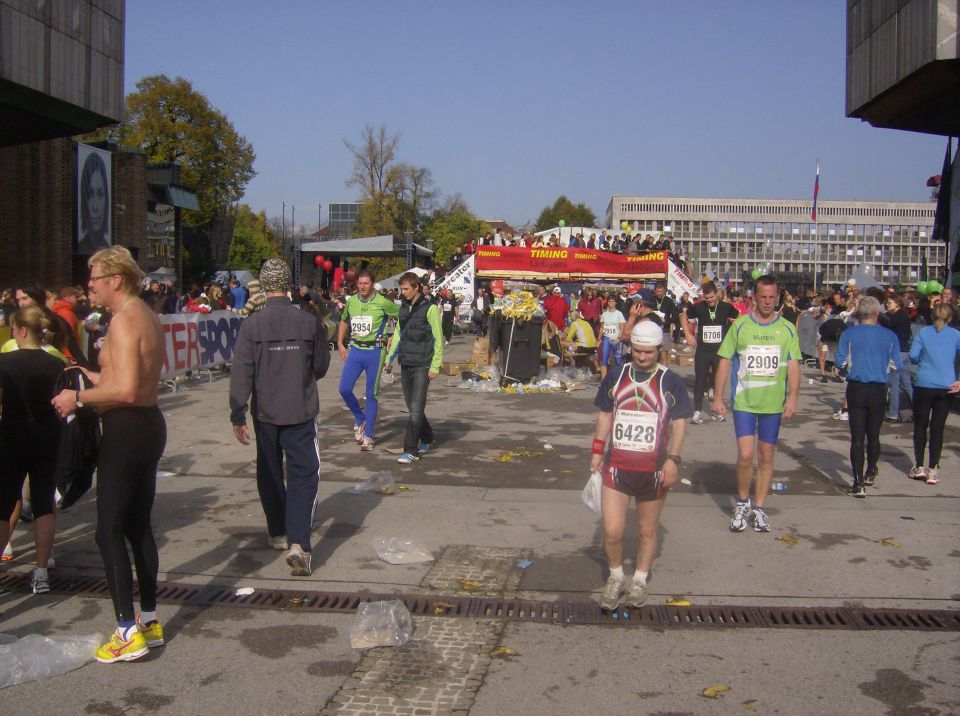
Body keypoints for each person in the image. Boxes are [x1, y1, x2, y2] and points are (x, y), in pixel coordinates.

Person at [51, 246, 166, 664]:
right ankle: (149, 620)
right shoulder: (146, 316)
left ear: (116, 280)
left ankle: (125, 631)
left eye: (94, 278)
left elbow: (127, 391)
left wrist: (77, 398)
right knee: (137, 527)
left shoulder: (123, 321)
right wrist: (89, 377)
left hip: (128, 427)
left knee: (107, 530)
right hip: (147, 423)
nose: (90, 285)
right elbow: (123, 378)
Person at [229, 258, 329, 575]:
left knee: (270, 470)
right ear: (287, 286)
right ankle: (299, 541)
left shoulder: (252, 325)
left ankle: (277, 531)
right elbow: (321, 366)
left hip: (265, 411)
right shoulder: (309, 322)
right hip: (299, 408)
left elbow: (241, 371)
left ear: (264, 286)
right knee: (303, 473)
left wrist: (237, 412)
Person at [591, 321, 691, 610]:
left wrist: (673, 459)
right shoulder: (616, 376)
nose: (642, 357)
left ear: (660, 350)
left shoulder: (670, 381)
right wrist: (597, 453)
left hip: (654, 469)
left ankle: (639, 580)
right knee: (611, 529)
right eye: (637, 351)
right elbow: (604, 416)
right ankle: (615, 576)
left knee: (647, 530)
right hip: (617, 467)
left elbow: (680, 423)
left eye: (648, 352)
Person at [711, 275, 801, 533]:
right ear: (754, 297)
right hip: (745, 403)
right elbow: (725, 361)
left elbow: (793, 365)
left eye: (772, 297)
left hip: (773, 404)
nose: (768, 302)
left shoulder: (787, 329)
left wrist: (793, 397)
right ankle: (742, 503)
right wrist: (717, 397)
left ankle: (759, 509)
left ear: (778, 297)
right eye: (763, 297)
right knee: (746, 455)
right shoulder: (740, 326)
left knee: (766, 456)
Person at [0, 306, 65, 595]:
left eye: (14, 329)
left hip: (12, 434)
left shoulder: (5, 361)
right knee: (43, 501)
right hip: (47, 434)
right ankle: (41, 572)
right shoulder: (55, 363)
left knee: (3, 504)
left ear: (22, 331)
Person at [834, 297, 902, 497]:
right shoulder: (890, 336)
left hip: (856, 388)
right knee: (873, 434)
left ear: (859, 314)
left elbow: (840, 362)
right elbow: (897, 364)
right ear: (877, 313)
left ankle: (858, 482)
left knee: (857, 437)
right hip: (879, 388)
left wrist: (846, 368)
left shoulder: (849, 334)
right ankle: (871, 470)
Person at [337, 270, 400, 451]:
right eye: (360, 283)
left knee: (371, 393)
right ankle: (359, 417)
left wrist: (392, 339)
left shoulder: (382, 302)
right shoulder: (352, 302)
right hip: (356, 350)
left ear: (372, 284)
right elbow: (343, 321)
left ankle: (369, 434)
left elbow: (401, 317)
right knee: (344, 388)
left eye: (366, 283)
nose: (363, 286)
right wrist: (340, 343)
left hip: (375, 351)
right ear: (356, 284)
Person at [384, 273, 443, 465]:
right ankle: (427, 437)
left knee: (416, 408)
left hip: (423, 364)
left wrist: (435, 365)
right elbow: (399, 335)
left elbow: (438, 338)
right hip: (406, 362)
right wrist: (389, 359)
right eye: (401, 289)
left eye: (406, 289)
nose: (403, 292)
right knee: (412, 407)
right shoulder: (403, 308)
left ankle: (411, 449)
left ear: (416, 287)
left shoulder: (430, 308)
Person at [907, 303, 960, 485]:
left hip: (924, 382)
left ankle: (919, 466)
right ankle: (933, 470)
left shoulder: (923, 333)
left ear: (932, 317)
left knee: (920, 426)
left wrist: (923, 358)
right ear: (950, 318)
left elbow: (913, 356)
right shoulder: (955, 335)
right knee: (938, 428)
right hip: (946, 385)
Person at [682, 281, 739, 424]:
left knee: (717, 382)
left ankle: (717, 411)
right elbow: (682, 316)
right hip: (703, 350)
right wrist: (688, 335)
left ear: (717, 295)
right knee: (700, 380)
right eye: (706, 298)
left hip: (720, 352)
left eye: (712, 297)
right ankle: (697, 412)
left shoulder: (726, 307)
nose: (709, 300)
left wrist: (733, 337)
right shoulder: (699, 307)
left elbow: (740, 318)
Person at [879, 294, 914, 421]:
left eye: (889, 302)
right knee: (906, 384)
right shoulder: (902, 316)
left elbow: (889, 324)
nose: (887, 304)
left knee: (894, 384)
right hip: (904, 352)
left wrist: (878, 314)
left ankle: (892, 413)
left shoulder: (899, 316)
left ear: (897, 304)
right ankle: (917, 410)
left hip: (897, 352)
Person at [77, 150, 110, 255]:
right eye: (90, 195)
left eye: (100, 195)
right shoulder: (80, 246)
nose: (95, 207)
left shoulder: (111, 251)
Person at [651, 282, 680, 365]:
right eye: (658, 291)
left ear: (664, 291)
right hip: (653, 331)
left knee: (664, 355)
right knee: (653, 355)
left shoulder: (668, 301)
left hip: (664, 331)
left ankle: (663, 375)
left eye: (661, 291)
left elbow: (676, 317)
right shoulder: (652, 300)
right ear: (655, 291)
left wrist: (666, 320)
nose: (660, 293)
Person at [598, 296, 626, 380]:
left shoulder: (619, 313)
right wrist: (598, 339)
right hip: (606, 338)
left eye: (612, 301)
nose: (611, 303)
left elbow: (622, 327)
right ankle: (603, 380)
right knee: (604, 359)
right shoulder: (604, 314)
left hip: (616, 339)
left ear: (615, 303)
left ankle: (621, 379)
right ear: (607, 302)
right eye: (609, 301)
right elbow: (602, 328)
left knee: (618, 360)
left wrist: (619, 338)